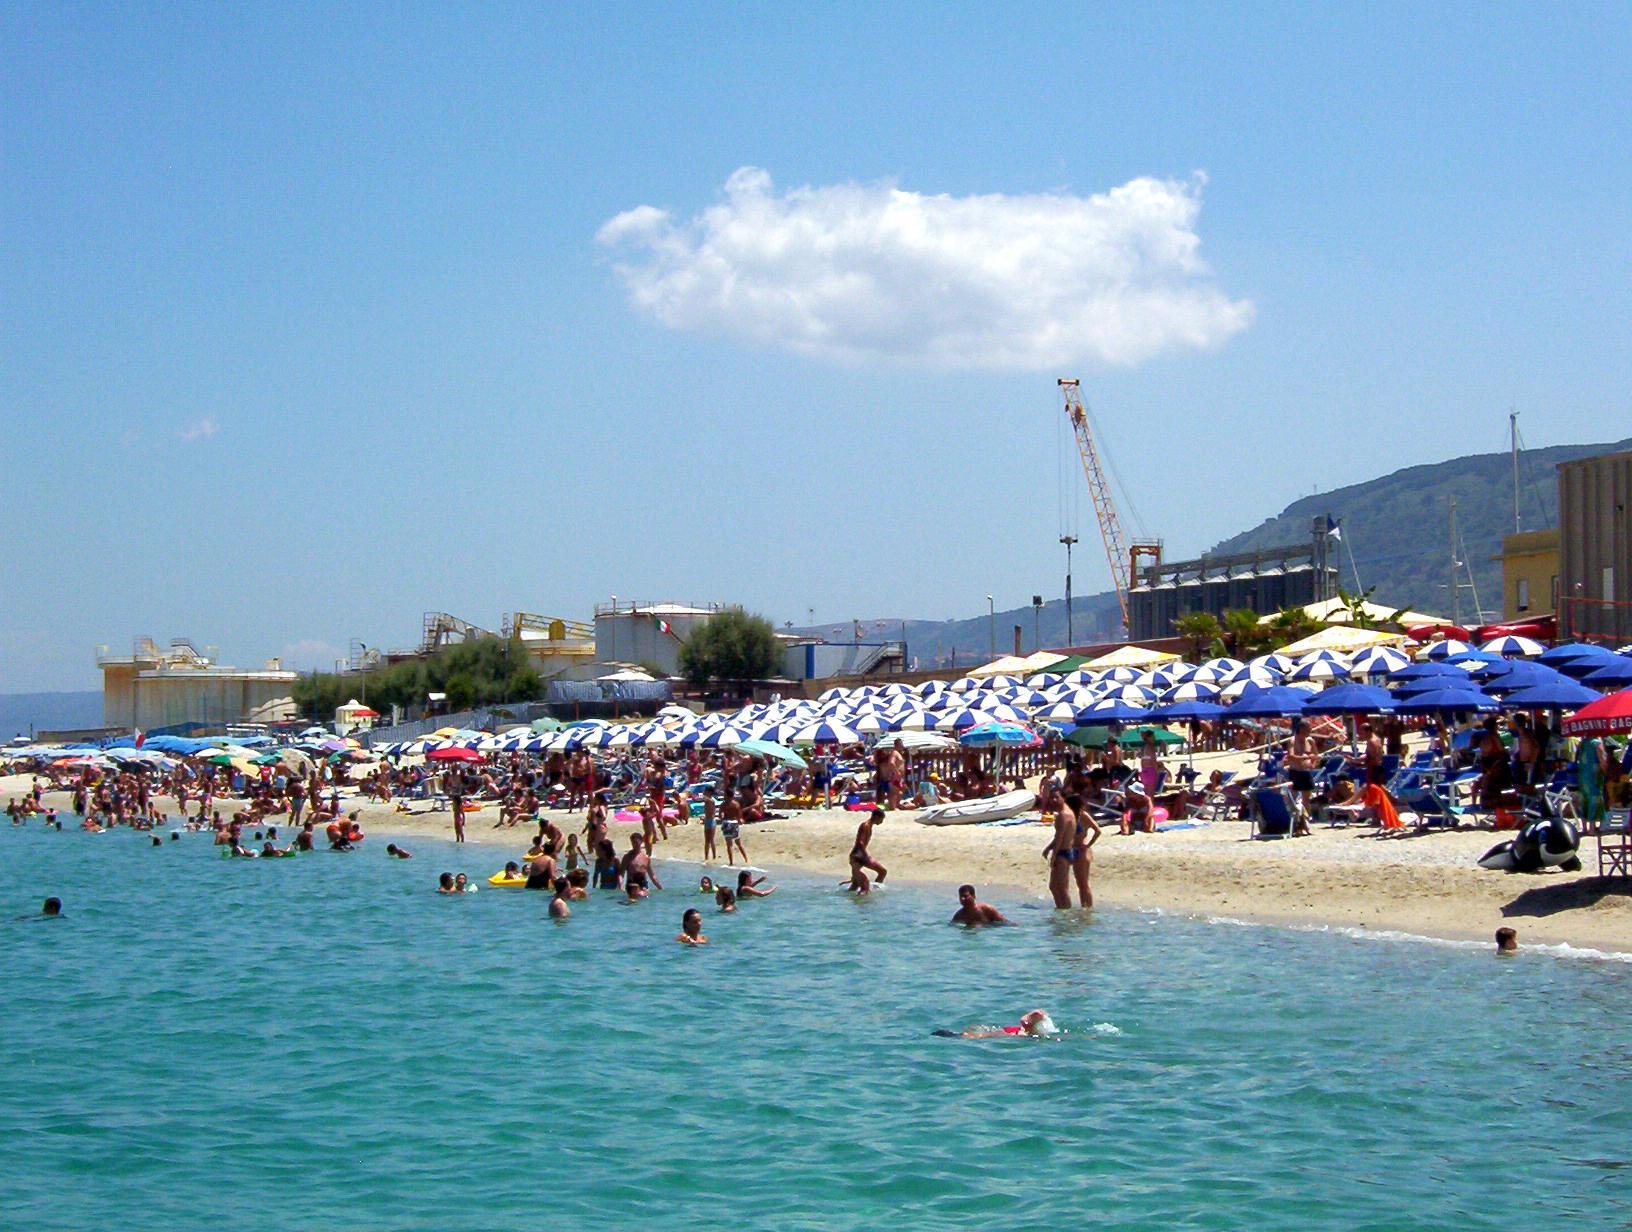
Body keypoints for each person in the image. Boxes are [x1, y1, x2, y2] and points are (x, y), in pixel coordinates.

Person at [1286, 718, 1317, 836]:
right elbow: (1291, 756)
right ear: (1302, 729)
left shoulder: (1311, 740)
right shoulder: (1293, 740)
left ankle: (1306, 824)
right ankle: (1294, 824)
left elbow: (1315, 755)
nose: (1309, 731)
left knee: (1306, 800)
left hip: (1306, 772)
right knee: (1293, 800)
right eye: (1308, 729)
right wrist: (1304, 757)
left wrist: (1313, 764)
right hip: (1295, 772)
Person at [935, 1009, 1057, 1039]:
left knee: (961, 1036)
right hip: (989, 1033)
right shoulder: (1023, 1031)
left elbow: (1024, 1020)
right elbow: (1024, 1019)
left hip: (989, 1034)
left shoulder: (1024, 1033)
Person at [848, 808, 887, 893]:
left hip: (861, 855)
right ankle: (862, 897)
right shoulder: (865, 825)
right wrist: (866, 855)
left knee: (882, 871)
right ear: (876, 816)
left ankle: (876, 890)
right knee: (862, 886)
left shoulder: (869, 825)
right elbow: (860, 843)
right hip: (857, 856)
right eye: (881, 819)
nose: (881, 822)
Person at [701, 787, 719, 862]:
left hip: (711, 821)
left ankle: (713, 856)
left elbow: (706, 800)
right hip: (707, 820)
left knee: (710, 840)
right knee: (707, 841)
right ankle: (707, 857)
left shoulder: (711, 800)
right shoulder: (707, 800)